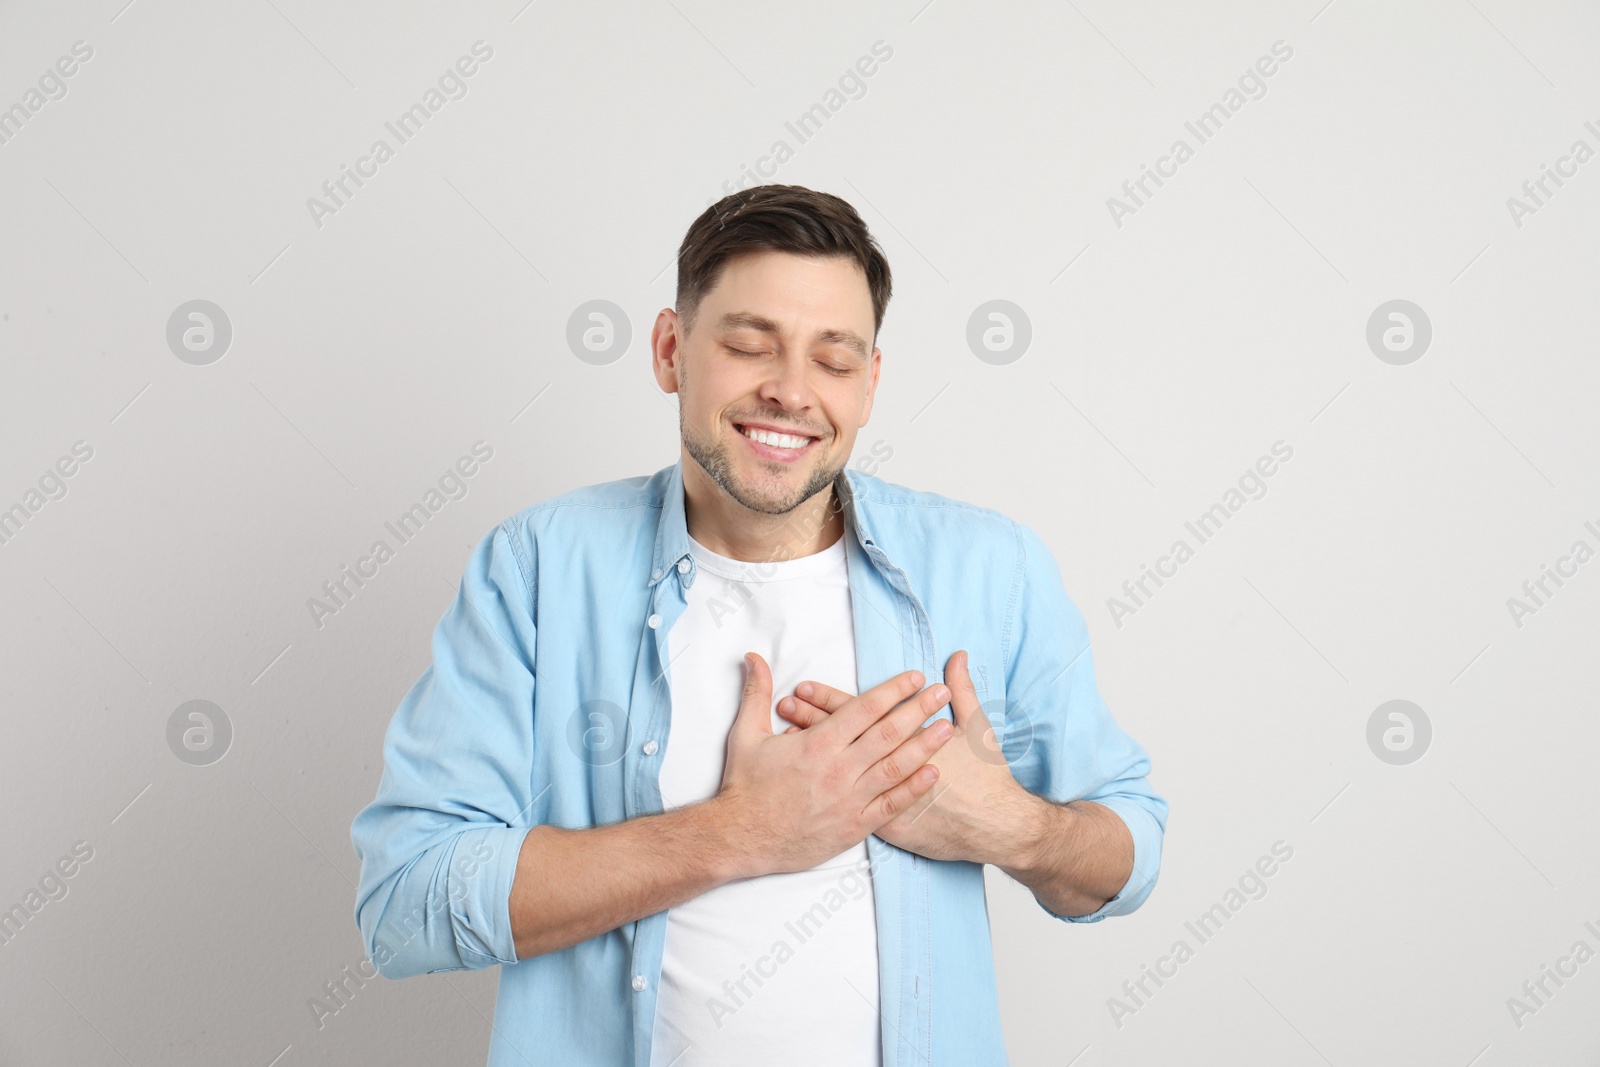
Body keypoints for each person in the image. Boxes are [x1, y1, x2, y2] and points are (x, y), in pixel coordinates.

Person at [350, 183, 1167, 1067]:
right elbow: (404, 905)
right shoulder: (540, 568)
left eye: (835, 360)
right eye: (749, 346)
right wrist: (738, 832)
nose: (791, 392)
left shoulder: (988, 568)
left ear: (871, 383)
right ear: (671, 350)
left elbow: (1129, 856)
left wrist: (1008, 825)